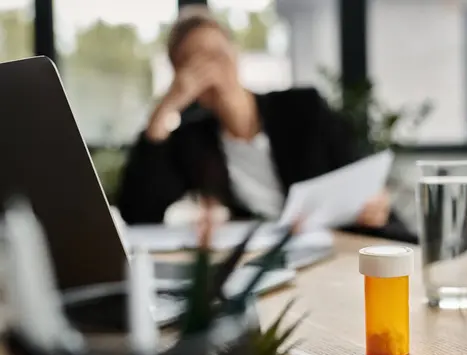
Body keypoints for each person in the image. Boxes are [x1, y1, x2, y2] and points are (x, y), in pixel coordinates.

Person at [116, 5, 416, 243]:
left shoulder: (302, 108)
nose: (209, 69)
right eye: (193, 63)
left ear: (236, 54)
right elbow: (139, 212)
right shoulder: (193, 139)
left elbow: (357, 174)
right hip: (257, 257)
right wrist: (164, 109)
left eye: (217, 54)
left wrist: (374, 204)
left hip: (331, 244)